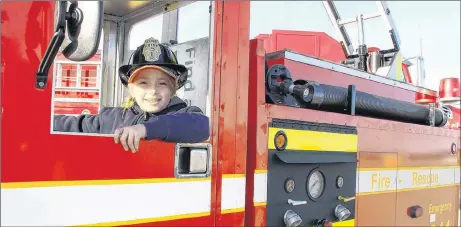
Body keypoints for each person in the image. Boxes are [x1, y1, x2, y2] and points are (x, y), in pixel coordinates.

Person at [53, 37, 210, 152]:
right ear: (131, 88)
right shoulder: (111, 118)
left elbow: (203, 126)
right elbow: (72, 125)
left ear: (173, 88)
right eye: (143, 83)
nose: (153, 91)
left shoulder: (186, 115)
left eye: (162, 83)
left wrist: (145, 129)